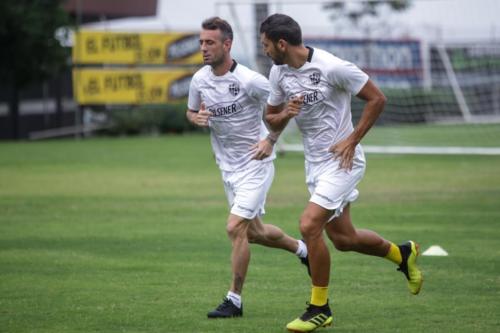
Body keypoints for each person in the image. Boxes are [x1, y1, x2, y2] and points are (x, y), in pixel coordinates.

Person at [259, 14, 423, 332]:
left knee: (308, 224)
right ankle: (402, 254)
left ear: (281, 43)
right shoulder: (278, 72)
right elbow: (270, 119)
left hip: (344, 162)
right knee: (344, 239)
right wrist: (284, 114)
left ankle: (319, 307)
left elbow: (377, 98)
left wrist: (352, 139)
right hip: (315, 166)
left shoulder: (333, 67)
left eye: (266, 44)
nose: (264, 50)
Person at [186, 17, 309, 319]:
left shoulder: (250, 80)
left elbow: (282, 107)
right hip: (227, 169)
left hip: (256, 164)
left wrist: (271, 139)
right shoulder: (199, 79)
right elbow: (190, 111)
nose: (204, 48)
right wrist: (196, 118)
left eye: (210, 42)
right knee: (254, 233)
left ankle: (234, 300)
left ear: (227, 44)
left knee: (234, 227)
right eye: (201, 42)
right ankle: (302, 250)